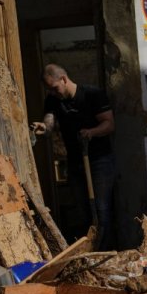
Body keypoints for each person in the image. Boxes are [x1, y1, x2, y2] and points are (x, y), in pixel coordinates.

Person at [31, 64, 116, 249]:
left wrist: (92, 132)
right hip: (76, 161)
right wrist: (44, 128)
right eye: (49, 90)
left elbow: (109, 124)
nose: (53, 93)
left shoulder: (93, 94)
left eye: (55, 88)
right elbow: (50, 121)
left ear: (64, 79)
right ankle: (89, 251)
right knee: (83, 210)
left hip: (100, 160)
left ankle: (106, 252)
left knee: (101, 209)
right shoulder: (53, 100)